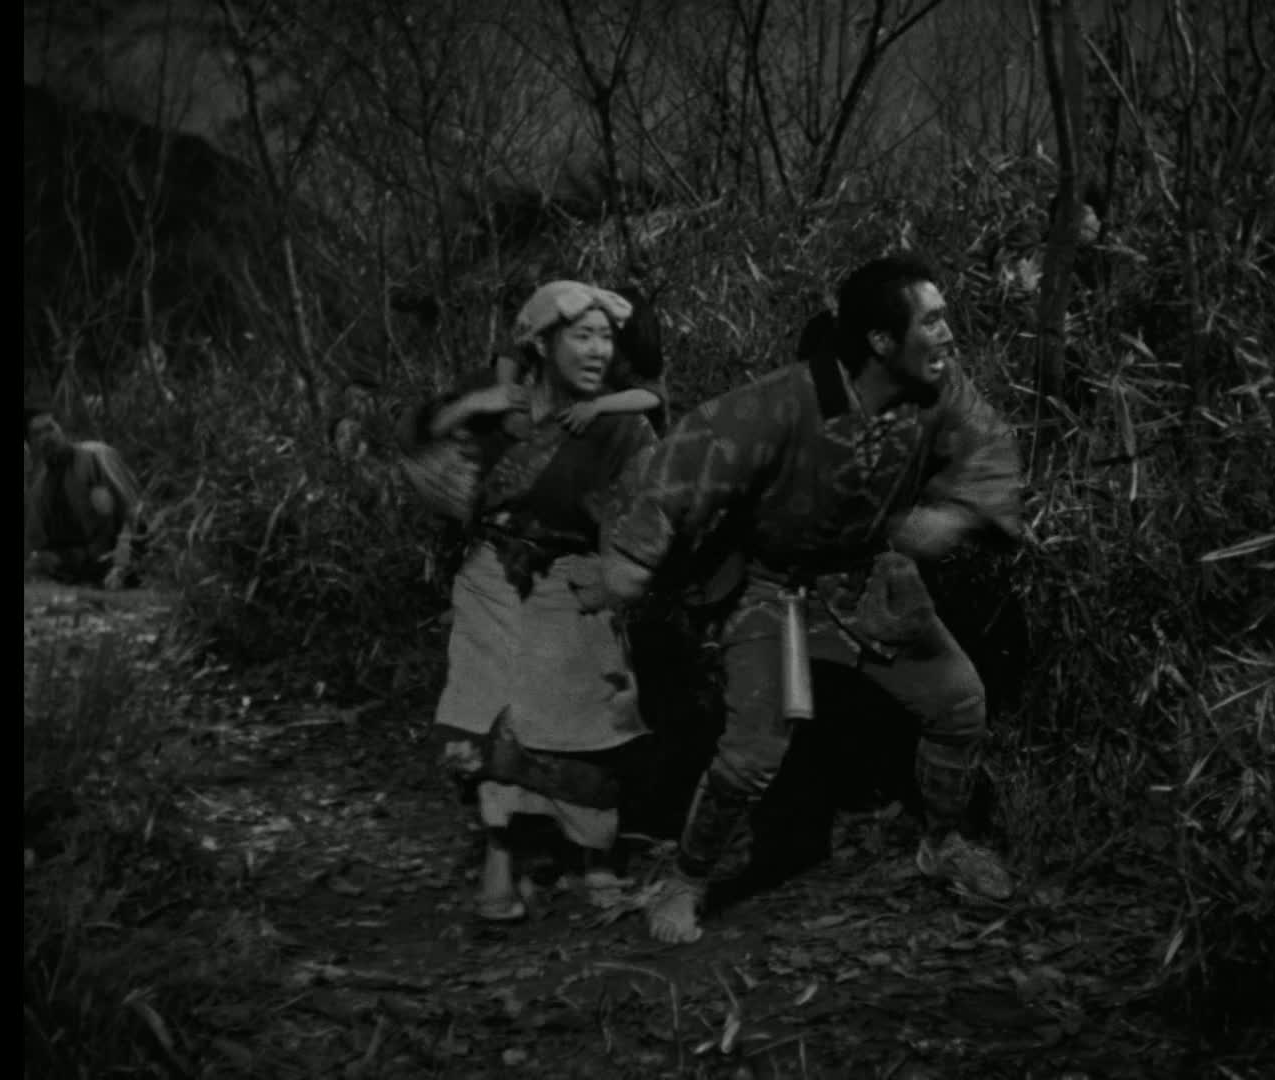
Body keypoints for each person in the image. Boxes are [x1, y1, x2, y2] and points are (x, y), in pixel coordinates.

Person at [598, 252, 1025, 944]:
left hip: (873, 581)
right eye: (932, 321)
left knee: (959, 703)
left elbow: (991, 443)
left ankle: (944, 842)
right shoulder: (783, 402)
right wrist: (637, 550)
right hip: (777, 592)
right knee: (752, 755)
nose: (949, 334)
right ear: (881, 341)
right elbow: (691, 453)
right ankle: (685, 879)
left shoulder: (940, 389)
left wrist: (957, 513)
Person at [396, 280, 661, 923]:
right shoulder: (497, 408)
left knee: (589, 713)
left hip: (574, 573)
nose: (598, 350)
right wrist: (470, 406)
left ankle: (594, 854)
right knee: (491, 708)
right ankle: (500, 852)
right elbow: (416, 441)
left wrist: (617, 576)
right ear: (542, 343)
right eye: (582, 336)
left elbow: (646, 509)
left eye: (605, 338)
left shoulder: (620, 425)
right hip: (493, 572)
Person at [491, 282, 669, 438]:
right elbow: (513, 349)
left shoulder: (629, 355)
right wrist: (508, 402)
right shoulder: (556, 335)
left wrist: (596, 406)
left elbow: (654, 394)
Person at [24, 405, 147, 590]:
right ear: (31, 444)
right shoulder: (40, 488)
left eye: (50, 428)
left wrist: (122, 565)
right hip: (82, 570)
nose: (46, 437)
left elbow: (133, 512)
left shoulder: (96, 457)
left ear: (60, 428)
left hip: (123, 561)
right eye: (37, 434)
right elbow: (39, 544)